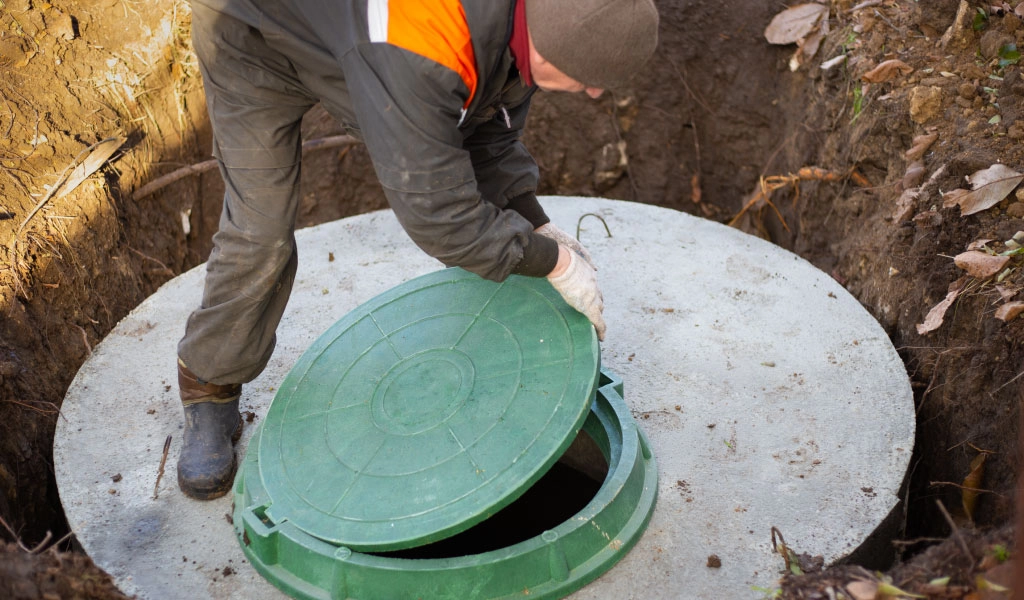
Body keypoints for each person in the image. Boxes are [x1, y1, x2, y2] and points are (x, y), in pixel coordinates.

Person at [176, 0, 659, 500]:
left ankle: (492, 353)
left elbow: (485, 132)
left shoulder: (530, 25)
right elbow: (440, 216)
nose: (596, 90)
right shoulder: (423, 40)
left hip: (351, 35)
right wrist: (553, 263)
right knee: (261, 228)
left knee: (476, 199)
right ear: (543, 40)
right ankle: (209, 383)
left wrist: (537, 224)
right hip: (254, 32)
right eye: (585, 77)